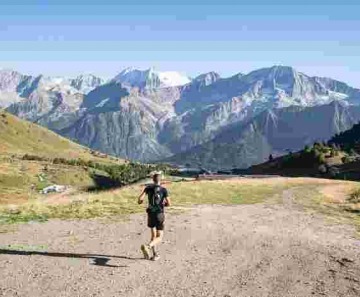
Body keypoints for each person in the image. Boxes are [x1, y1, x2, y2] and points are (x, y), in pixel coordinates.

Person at [138, 171, 171, 261]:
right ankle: (148, 246)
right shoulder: (164, 190)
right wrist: (164, 204)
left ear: (153, 180)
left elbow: (140, 199)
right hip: (159, 214)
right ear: (160, 180)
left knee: (153, 235)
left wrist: (141, 202)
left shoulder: (148, 188)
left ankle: (155, 254)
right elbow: (169, 203)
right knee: (159, 236)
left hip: (150, 214)